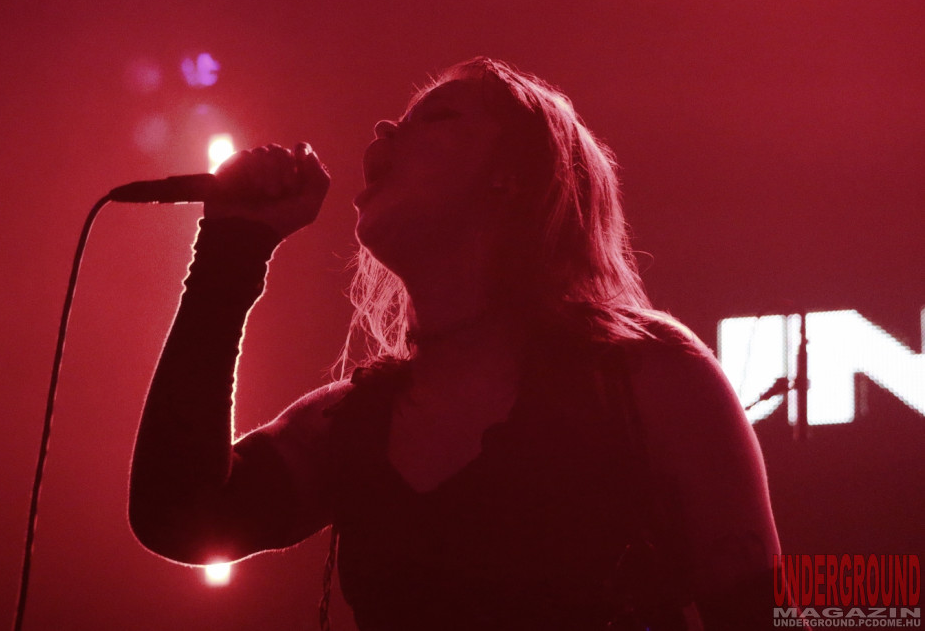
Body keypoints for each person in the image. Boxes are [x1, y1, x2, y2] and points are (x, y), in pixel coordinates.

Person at [128, 58, 785, 630]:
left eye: (438, 116)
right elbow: (182, 516)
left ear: (513, 175)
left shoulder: (646, 375)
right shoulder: (354, 422)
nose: (385, 129)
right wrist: (233, 247)